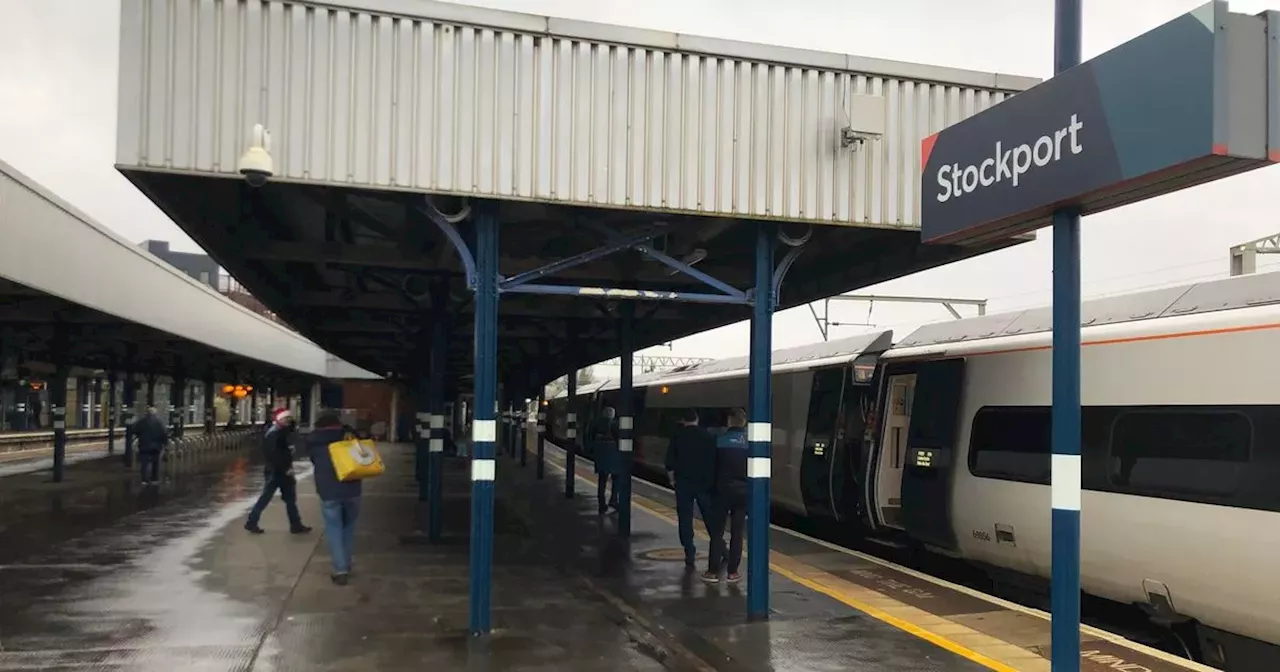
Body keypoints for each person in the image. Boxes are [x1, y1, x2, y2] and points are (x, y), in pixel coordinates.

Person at [307, 411, 363, 585]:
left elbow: (314, 460)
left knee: (334, 529)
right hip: (352, 488)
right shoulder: (349, 436)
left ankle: (341, 569)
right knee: (348, 527)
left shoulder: (313, 440)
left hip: (328, 490)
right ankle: (345, 562)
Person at [664, 408, 718, 569]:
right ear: (697, 419)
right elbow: (716, 461)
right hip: (705, 484)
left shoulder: (677, 437)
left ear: (683, 420)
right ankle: (720, 548)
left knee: (685, 518)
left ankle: (689, 550)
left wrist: (672, 480)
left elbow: (669, 463)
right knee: (710, 518)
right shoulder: (709, 437)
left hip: (683, 484)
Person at [244, 408, 311, 535]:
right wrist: (285, 468)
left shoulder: (283, 432)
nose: (289, 421)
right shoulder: (274, 433)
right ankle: (252, 522)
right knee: (268, 498)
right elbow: (273, 454)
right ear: (279, 419)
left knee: (288, 498)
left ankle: (295, 524)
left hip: (280, 470)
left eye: (290, 418)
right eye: (286, 418)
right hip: (277, 471)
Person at [707, 408, 749, 584]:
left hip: (722, 492)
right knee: (737, 532)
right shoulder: (751, 443)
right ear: (744, 422)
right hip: (743, 493)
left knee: (717, 533)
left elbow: (711, 468)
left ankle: (713, 572)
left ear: (730, 421)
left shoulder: (719, 440)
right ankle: (733, 572)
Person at [592, 406, 620, 514]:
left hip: (600, 456)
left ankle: (601, 503)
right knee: (616, 477)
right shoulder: (615, 424)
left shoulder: (596, 424)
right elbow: (620, 438)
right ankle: (613, 500)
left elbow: (590, 437)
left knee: (602, 479)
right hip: (614, 455)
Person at [134, 406, 168, 486]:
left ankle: (144, 479)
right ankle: (154, 479)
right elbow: (164, 434)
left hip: (144, 446)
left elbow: (135, 430)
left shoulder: (141, 422)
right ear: (155, 414)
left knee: (144, 463)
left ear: (147, 414)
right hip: (156, 447)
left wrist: (140, 437)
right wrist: (165, 444)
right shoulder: (159, 423)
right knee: (155, 463)